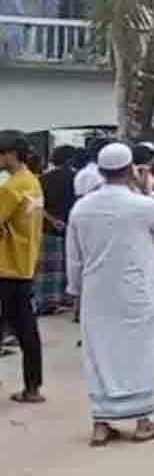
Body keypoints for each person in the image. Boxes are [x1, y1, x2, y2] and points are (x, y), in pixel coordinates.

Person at [66, 143, 154, 445]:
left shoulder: (82, 207)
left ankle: (101, 423)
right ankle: (143, 422)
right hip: (135, 292)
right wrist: (147, 189)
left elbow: (73, 257)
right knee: (140, 352)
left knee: (99, 354)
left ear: (101, 171)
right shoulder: (141, 205)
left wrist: (75, 291)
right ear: (130, 170)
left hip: (96, 293)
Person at [0, 130, 45, 404]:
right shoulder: (32, 183)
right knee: (26, 329)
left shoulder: (10, 189)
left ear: (9, 154)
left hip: (5, 266)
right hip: (25, 264)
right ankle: (32, 386)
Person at [33, 145, 76, 315]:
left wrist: (52, 220)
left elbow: (37, 205)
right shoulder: (75, 178)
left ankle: (46, 302)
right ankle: (67, 299)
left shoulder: (42, 179)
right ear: (70, 160)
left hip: (48, 228)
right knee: (67, 265)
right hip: (70, 227)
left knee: (47, 268)